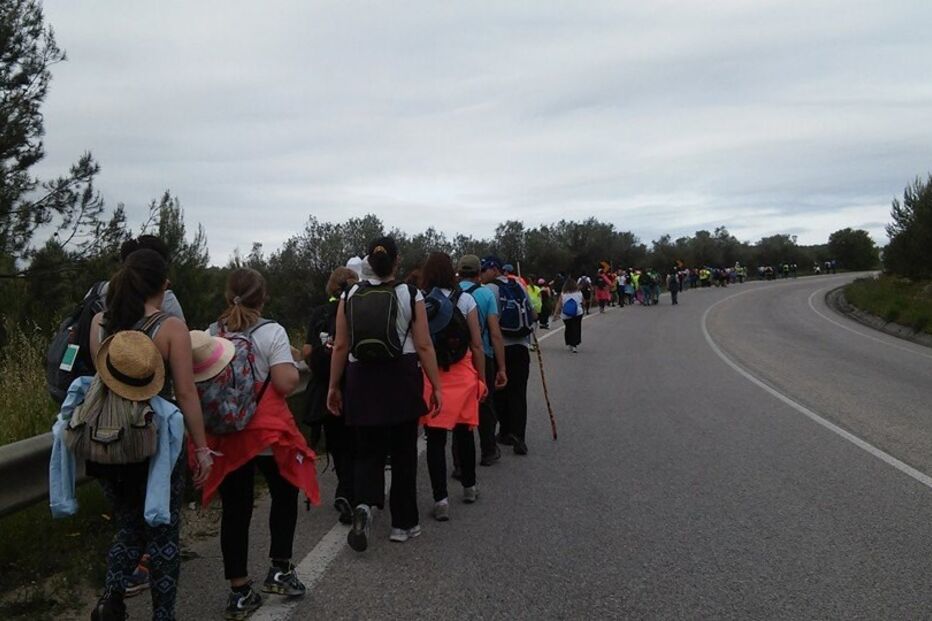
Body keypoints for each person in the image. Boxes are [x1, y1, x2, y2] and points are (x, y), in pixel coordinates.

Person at [85, 249, 213, 621]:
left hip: (108, 437)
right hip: (154, 441)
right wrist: (202, 448)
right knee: (163, 532)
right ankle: (163, 616)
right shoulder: (170, 327)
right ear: (163, 284)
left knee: (128, 524)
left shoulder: (99, 324)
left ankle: (111, 600)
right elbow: (186, 393)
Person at [197, 268, 319, 619]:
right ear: (263, 297)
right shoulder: (272, 332)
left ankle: (239, 591)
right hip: (266, 432)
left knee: (236, 509)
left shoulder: (212, 332)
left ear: (227, 296)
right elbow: (284, 383)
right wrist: (294, 365)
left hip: (228, 433)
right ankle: (280, 569)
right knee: (284, 493)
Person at [328, 237, 443, 549]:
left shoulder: (349, 294)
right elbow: (423, 345)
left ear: (369, 262)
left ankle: (364, 506)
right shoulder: (410, 293)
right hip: (401, 376)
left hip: (361, 378)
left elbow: (340, 345)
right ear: (397, 262)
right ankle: (403, 524)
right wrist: (436, 385)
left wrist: (333, 386)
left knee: (367, 450)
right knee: (404, 452)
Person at [420, 253, 486, 520]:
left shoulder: (421, 301)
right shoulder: (466, 299)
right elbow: (477, 343)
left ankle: (441, 500)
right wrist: (482, 379)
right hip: (463, 375)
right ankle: (469, 487)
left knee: (435, 440)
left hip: (432, 376)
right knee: (464, 434)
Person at [302, 267, 359, 525]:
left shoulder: (318, 313)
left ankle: (344, 488)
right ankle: (357, 491)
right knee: (359, 440)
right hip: (356, 385)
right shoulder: (357, 310)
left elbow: (306, 350)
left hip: (326, 387)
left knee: (337, 442)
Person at [481, 256, 536, 455]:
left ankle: (504, 432)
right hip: (521, 346)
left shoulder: (488, 290)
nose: (481, 274)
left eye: (484, 269)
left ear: (493, 269)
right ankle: (519, 436)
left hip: (501, 348)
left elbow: (490, 323)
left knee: (500, 392)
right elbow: (533, 314)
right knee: (519, 393)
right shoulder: (519, 285)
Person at [458, 255, 508, 466]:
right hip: (484, 355)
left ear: (459, 271)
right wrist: (502, 367)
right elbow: (495, 333)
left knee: (461, 408)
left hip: (458, 358)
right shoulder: (485, 293)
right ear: (479, 272)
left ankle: (460, 461)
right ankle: (488, 450)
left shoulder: (452, 293)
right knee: (485, 402)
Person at [554, 278, 584, 353]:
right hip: (577, 313)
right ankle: (575, 344)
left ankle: (569, 342)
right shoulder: (579, 293)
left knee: (568, 328)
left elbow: (559, 304)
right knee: (576, 328)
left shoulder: (563, 294)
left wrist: (556, 313)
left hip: (566, 314)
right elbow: (583, 302)